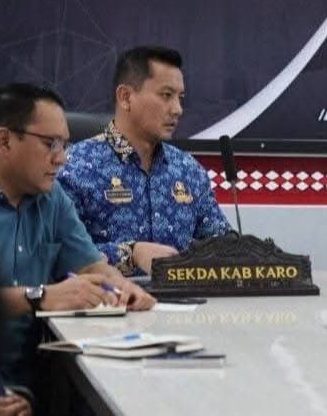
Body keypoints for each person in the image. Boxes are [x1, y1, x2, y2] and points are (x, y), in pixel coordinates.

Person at [0, 83, 154, 388]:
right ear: (4, 141)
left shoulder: (51, 197)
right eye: (51, 144)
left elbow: (90, 265)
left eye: (64, 145)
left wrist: (121, 288)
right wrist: (40, 296)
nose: (62, 158)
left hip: (38, 376)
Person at [59, 46, 231, 276]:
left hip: (183, 298)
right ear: (126, 97)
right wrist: (132, 254)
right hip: (111, 297)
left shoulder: (188, 170)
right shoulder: (75, 167)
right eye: (166, 95)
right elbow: (59, 253)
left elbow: (220, 245)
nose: (178, 109)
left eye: (180, 98)